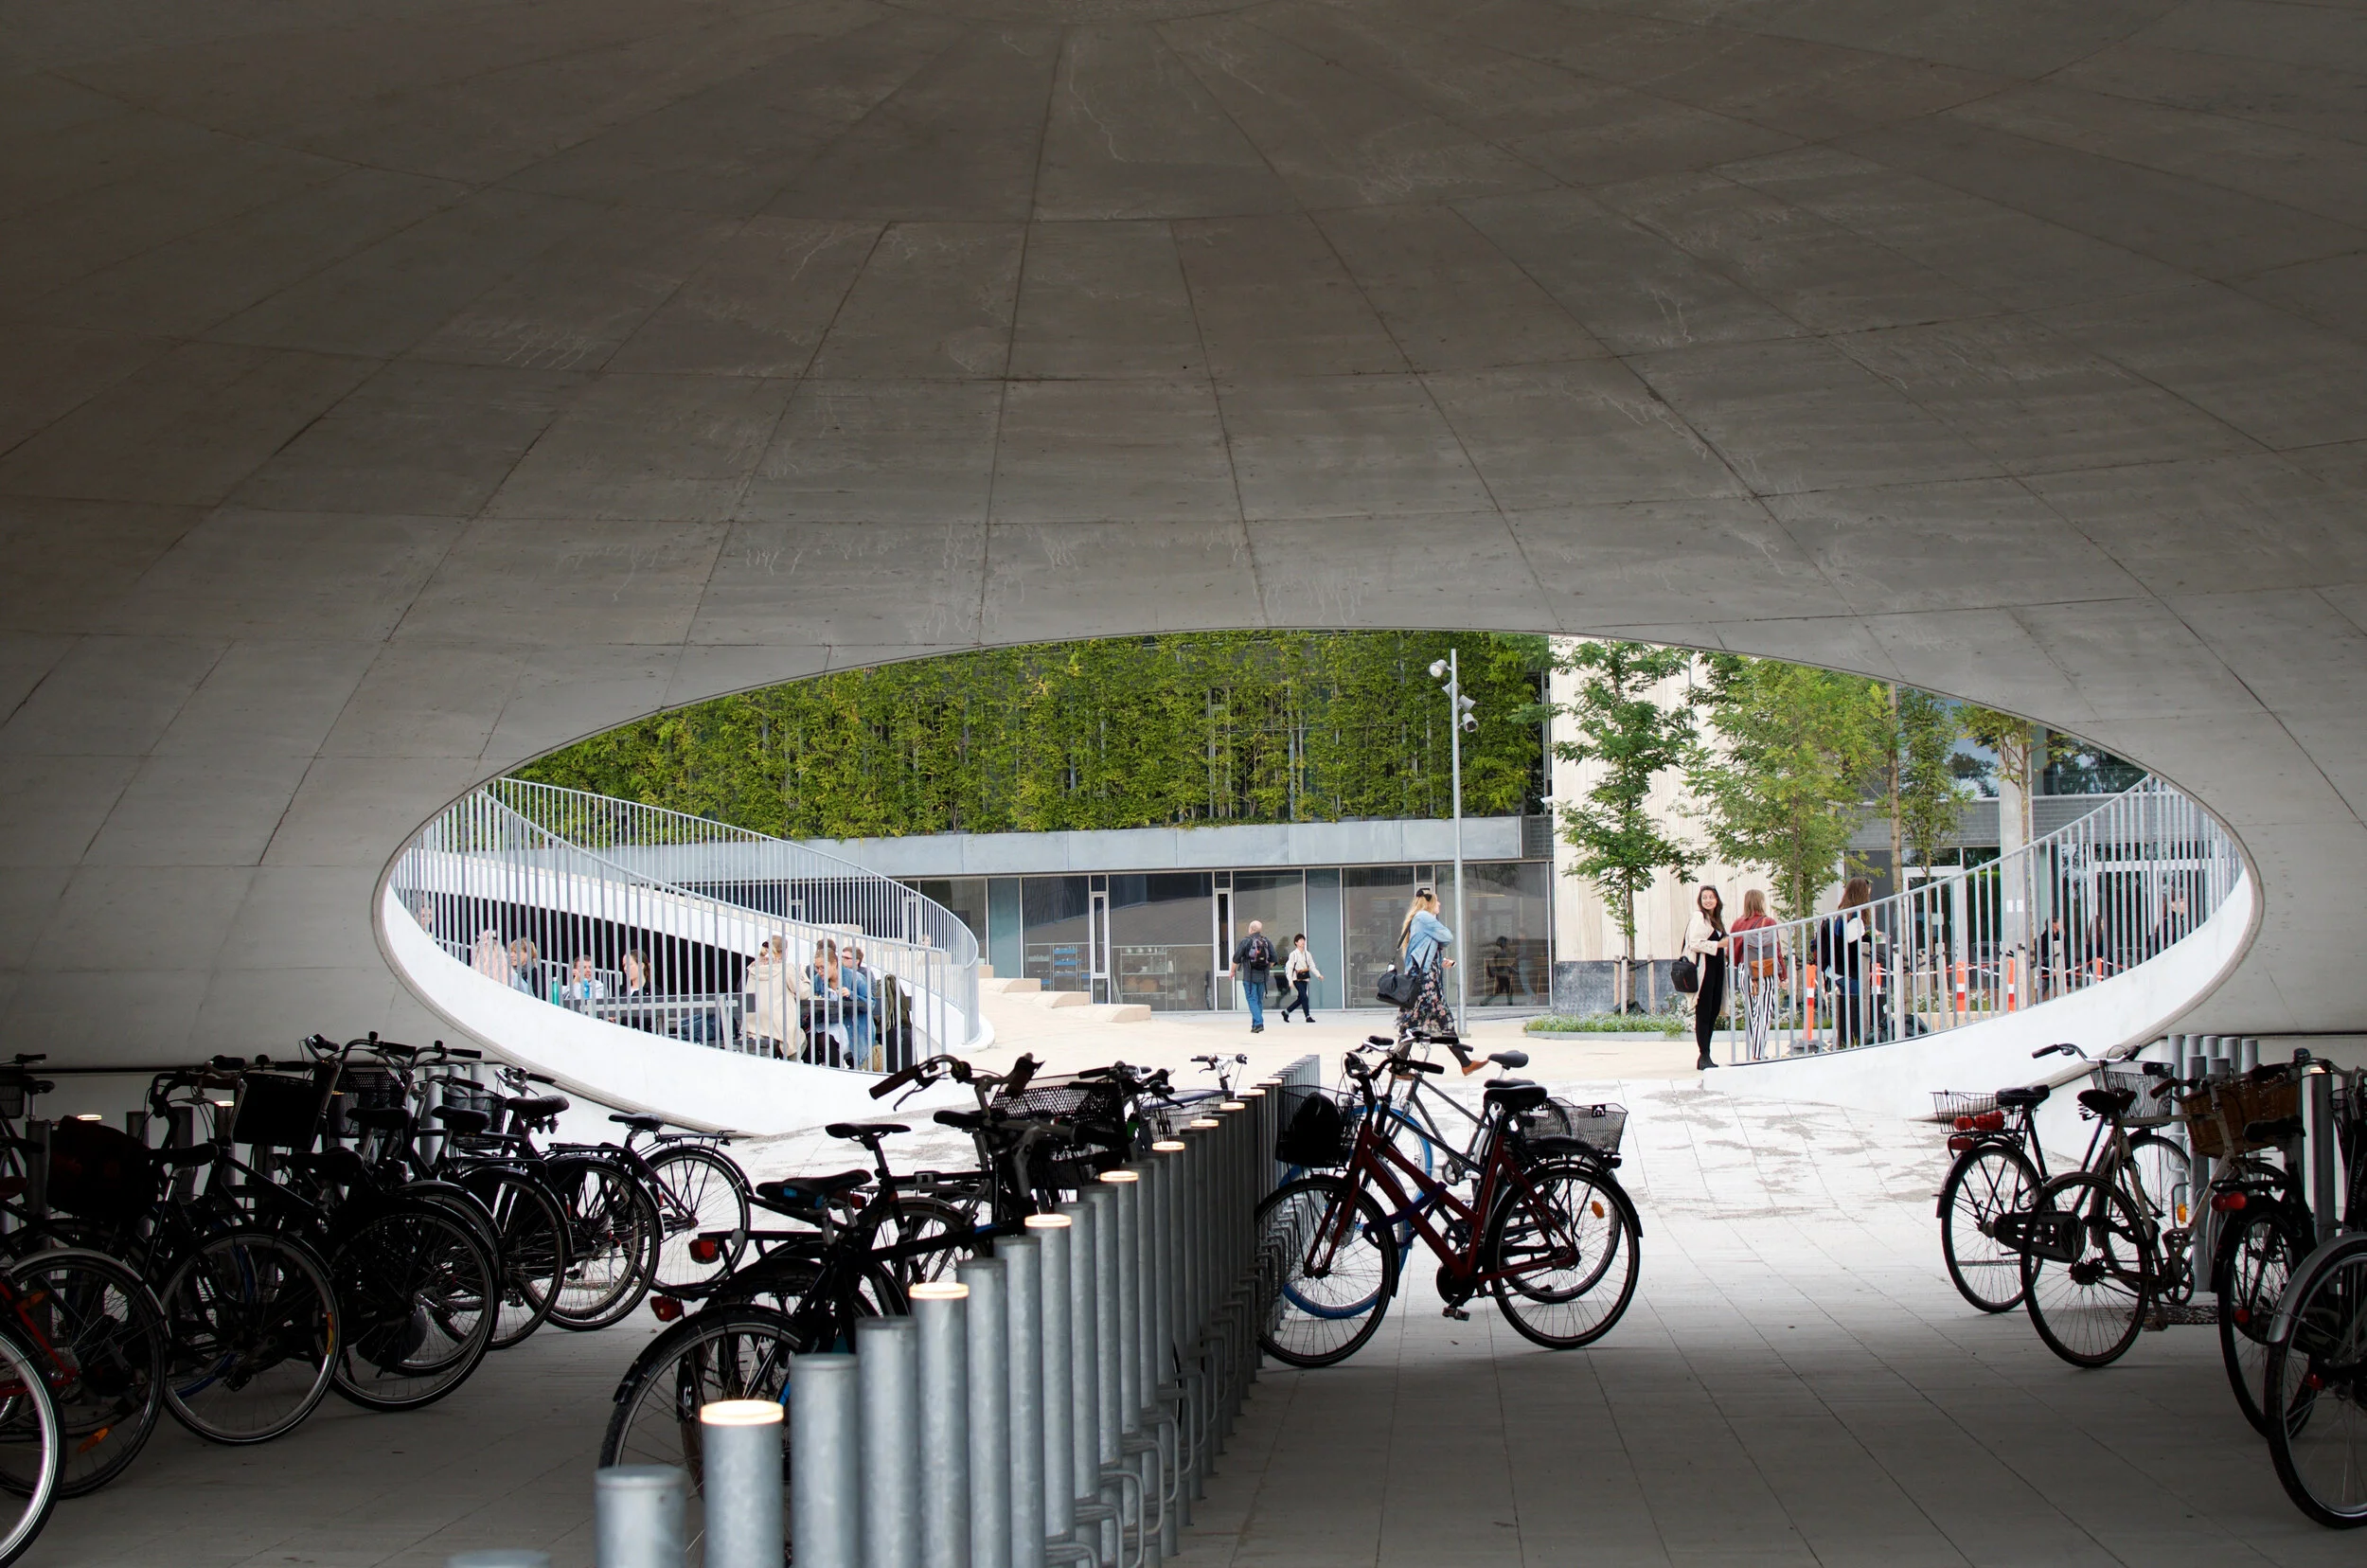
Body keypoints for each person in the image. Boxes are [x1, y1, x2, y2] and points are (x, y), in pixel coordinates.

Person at [1816, 878, 1876, 1048]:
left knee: (1847, 1006)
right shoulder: (1854, 916)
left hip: (1837, 970)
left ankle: (1847, 1041)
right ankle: (1855, 1042)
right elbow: (1851, 940)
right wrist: (1869, 935)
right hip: (1850, 970)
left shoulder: (1842, 914)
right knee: (1857, 1007)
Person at [1728, 889, 1781, 1061]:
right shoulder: (1768, 922)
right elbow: (1776, 950)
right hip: (1763, 970)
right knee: (1763, 1013)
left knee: (1752, 1014)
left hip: (1744, 970)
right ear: (1761, 902)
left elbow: (1731, 952)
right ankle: (1757, 1054)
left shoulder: (1738, 924)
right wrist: (1783, 975)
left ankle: (1756, 1051)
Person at [1396, 888, 1456, 1039]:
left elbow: (1424, 949)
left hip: (1425, 977)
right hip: (1425, 979)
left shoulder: (1420, 919)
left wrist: (1440, 960)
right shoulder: (1424, 917)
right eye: (1437, 901)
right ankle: (1460, 1053)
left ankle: (1463, 1058)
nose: (1439, 904)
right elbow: (1448, 937)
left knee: (1419, 1016)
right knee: (1438, 1016)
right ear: (1430, 903)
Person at [1680, 885, 1726, 1071]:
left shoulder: (1716, 920)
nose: (1708, 900)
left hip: (1717, 970)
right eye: (1704, 897)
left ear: (1717, 900)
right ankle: (1704, 1054)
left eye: (1711, 897)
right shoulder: (1699, 917)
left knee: (1713, 1011)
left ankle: (1705, 1055)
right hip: (1705, 972)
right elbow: (1694, 943)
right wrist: (1719, 945)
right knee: (1704, 1012)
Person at [744, 935, 799, 1058]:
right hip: (777, 1027)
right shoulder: (785, 968)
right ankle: (790, 1067)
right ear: (784, 951)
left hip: (753, 1027)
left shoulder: (752, 968)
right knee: (800, 1038)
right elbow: (804, 992)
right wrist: (802, 976)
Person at [1226, 919, 1278, 1034]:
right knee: (1258, 1001)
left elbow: (1236, 958)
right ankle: (1255, 1026)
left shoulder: (1246, 941)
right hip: (1263, 977)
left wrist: (1232, 971)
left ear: (1250, 929)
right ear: (1260, 930)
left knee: (1252, 1000)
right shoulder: (1266, 941)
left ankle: (1259, 1023)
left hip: (1249, 977)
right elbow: (1274, 958)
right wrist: (1267, 969)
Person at [843, 943, 878, 1067]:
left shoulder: (864, 974)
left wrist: (851, 994)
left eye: (846, 958)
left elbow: (870, 998)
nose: (842, 960)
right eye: (841, 957)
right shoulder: (840, 974)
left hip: (861, 1016)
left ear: (857, 961)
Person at [1278, 934, 1322, 1023]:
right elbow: (1290, 968)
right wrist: (1290, 981)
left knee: (1301, 999)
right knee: (1304, 997)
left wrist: (1318, 975)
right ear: (1296, 943)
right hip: (1296, 979)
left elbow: (1312, 966)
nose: (1303, 942)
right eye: (1300, 940)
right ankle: (1308, 1016)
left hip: (1304, 978)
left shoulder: (1307, 954)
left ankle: (1286, 1012)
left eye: (1303, 940)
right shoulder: (1293, 954)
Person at [1485, 935, 1518, 1005]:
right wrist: (1514, 971)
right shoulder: (1502, 953)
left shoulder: (1500, 952)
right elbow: (1504, 966)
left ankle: (1485, 1002)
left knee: (1500, 991)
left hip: (1501, 974)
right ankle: (1510, 1004)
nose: (1508, 944)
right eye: (1507, 943)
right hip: (1502, 974)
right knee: (1508, 990)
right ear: (1503, 944)